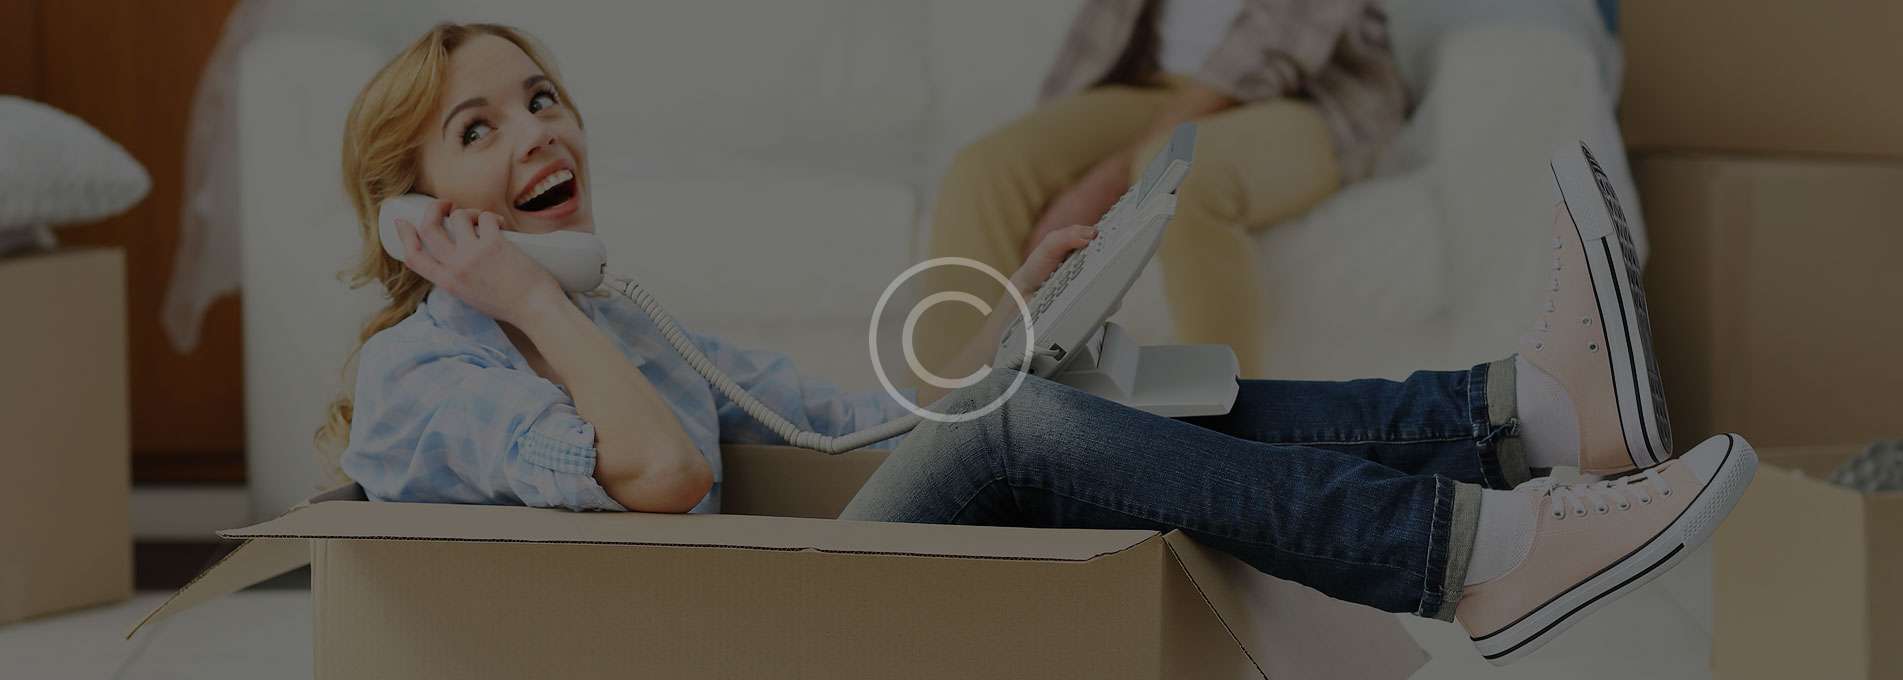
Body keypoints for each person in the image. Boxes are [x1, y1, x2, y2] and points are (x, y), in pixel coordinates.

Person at [316, 23, 1755, 665]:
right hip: (724, 650)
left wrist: (1014, 320)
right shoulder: (421, 376)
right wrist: (531, 300)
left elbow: (854, 429)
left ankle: (1515, 418)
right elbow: (662, 481)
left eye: (542, 98)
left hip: (771, 609)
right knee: (1014, 428)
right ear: (413, 213)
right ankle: (1475, 551)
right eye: (478, 128)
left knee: (1059, 397)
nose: (537, 131)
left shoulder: (616, 318)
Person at [914, 0, 1409, 379]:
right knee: (984, 171)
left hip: (1308, 96)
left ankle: (1228, 447)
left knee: (1183, 176)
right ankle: (937, 430)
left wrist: (1102, 180)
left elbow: (1277, 40)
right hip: (1157, 86)